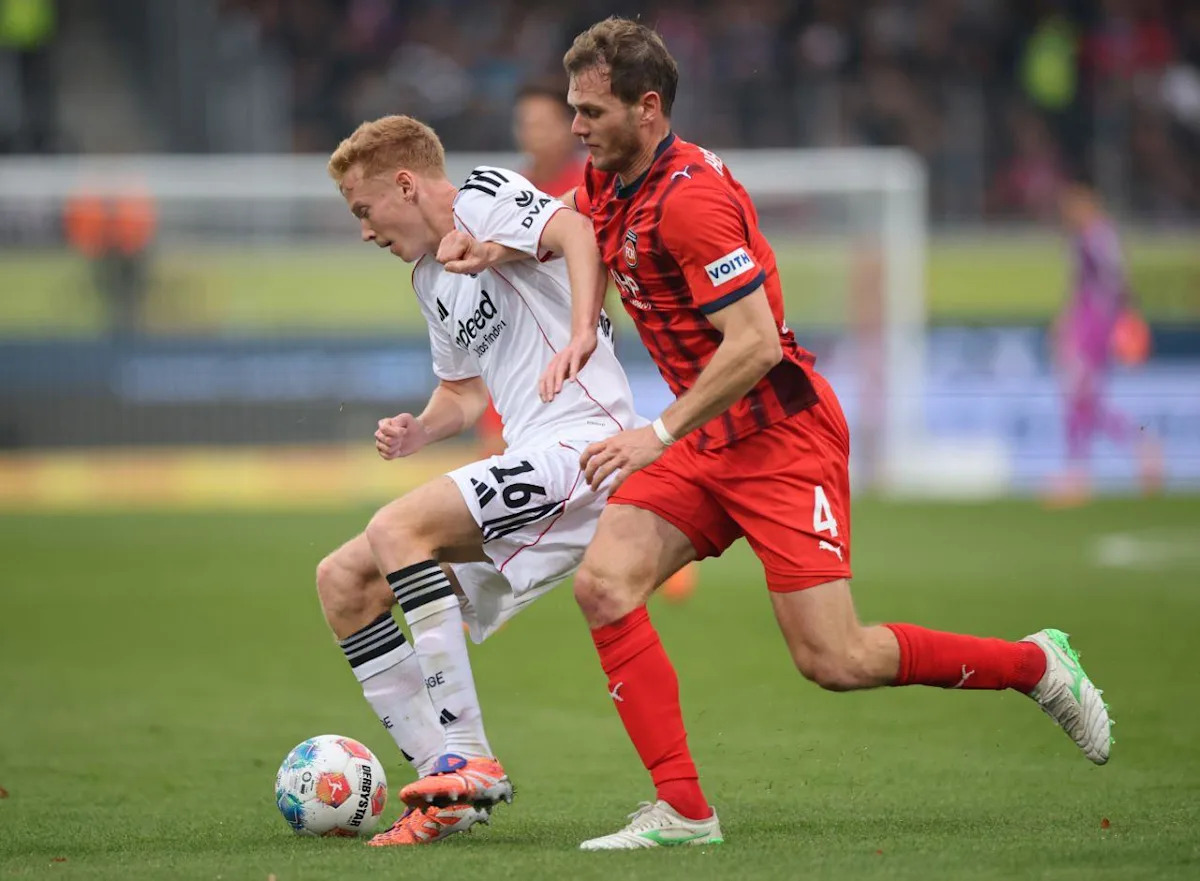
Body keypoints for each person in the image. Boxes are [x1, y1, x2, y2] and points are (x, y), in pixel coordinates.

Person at [454, 17, 1113, 851]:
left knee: (835, 659)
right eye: (574, 109)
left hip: (779, 438)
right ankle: (684, 810)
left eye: (591, 110)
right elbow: (574, 224)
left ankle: (1035, 664)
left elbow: (757, 343)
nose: (575, 126)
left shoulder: (691, 202)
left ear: (647, 108)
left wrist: (657, 432)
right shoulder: (611, 180)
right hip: (707, 438)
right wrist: (495, 248)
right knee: (605, 584)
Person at [319, 114, 638, 846]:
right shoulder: (429, 278)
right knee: (342, 581)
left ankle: (468, 758)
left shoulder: (485, 196)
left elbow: (578, 233)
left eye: (364, 209)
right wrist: (420, 429)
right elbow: (462, 393)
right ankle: (445, 788)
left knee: (396, 529)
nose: (364, 230)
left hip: (586, 445)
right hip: (535, 457)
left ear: (406, 184)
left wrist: (583, 330)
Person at [472, 81, 588, 459]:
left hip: (577, 352)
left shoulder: (593, 187)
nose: (532, 134)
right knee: (499, 463)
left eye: (543, 123)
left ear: (570, 127)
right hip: (515, 355)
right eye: (525, 124)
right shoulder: (506, 194)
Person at [1049, 178, 1159, 505]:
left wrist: (1122, 319)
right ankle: (1139, 447)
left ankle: (1079, 474)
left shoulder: (1097, 236)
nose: (1068, 213)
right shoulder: (1089, 237)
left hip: (1094, 324)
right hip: (1090, 322)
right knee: (1084, 399)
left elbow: (1113, 280)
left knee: (1080, 396)